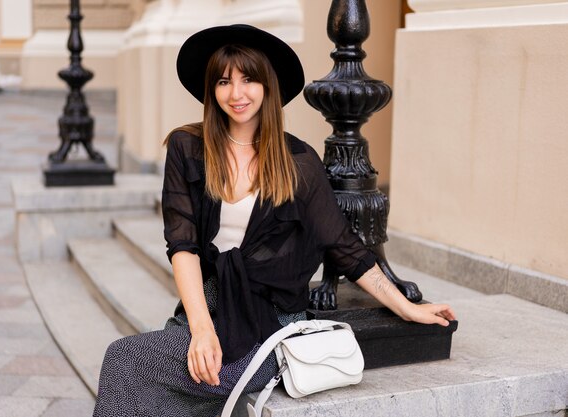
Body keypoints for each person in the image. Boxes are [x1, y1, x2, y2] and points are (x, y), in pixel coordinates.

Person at [92, 24, 456, 417]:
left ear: (267, 86)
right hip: (209, 305)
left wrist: (406, 307)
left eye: (248, 79)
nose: (236, 94)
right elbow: (182, 244)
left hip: (272, 322)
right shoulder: (188, 147)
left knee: (125, 360)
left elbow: (346, 247)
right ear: (211, 91)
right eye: (223, 81)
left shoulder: (298, 162)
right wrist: (201, 327)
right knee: (155, 375)